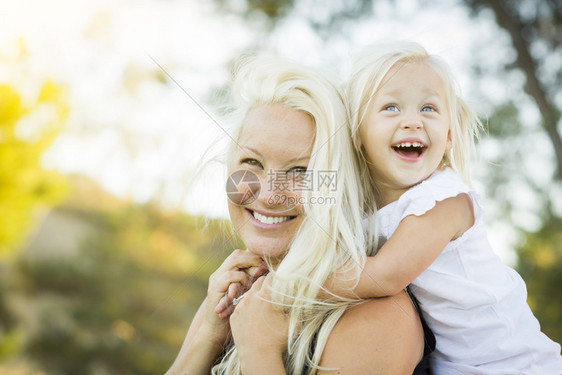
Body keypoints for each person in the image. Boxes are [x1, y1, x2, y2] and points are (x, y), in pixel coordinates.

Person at [166, 55, 433, 374]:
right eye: (251, 162)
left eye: (301, 172)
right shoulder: (239, 291)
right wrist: (209, 336)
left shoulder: (378, 317)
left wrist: (260, 352)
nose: (267, 194)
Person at [327, 40, 562, 374]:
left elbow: (384, 277)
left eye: (428, 109)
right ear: (358, 133)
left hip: (513, 364)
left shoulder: (443, 200)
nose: (413, 121)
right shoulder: (363, 211)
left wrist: (293, 280)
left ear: (449, 135)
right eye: (391, 107)